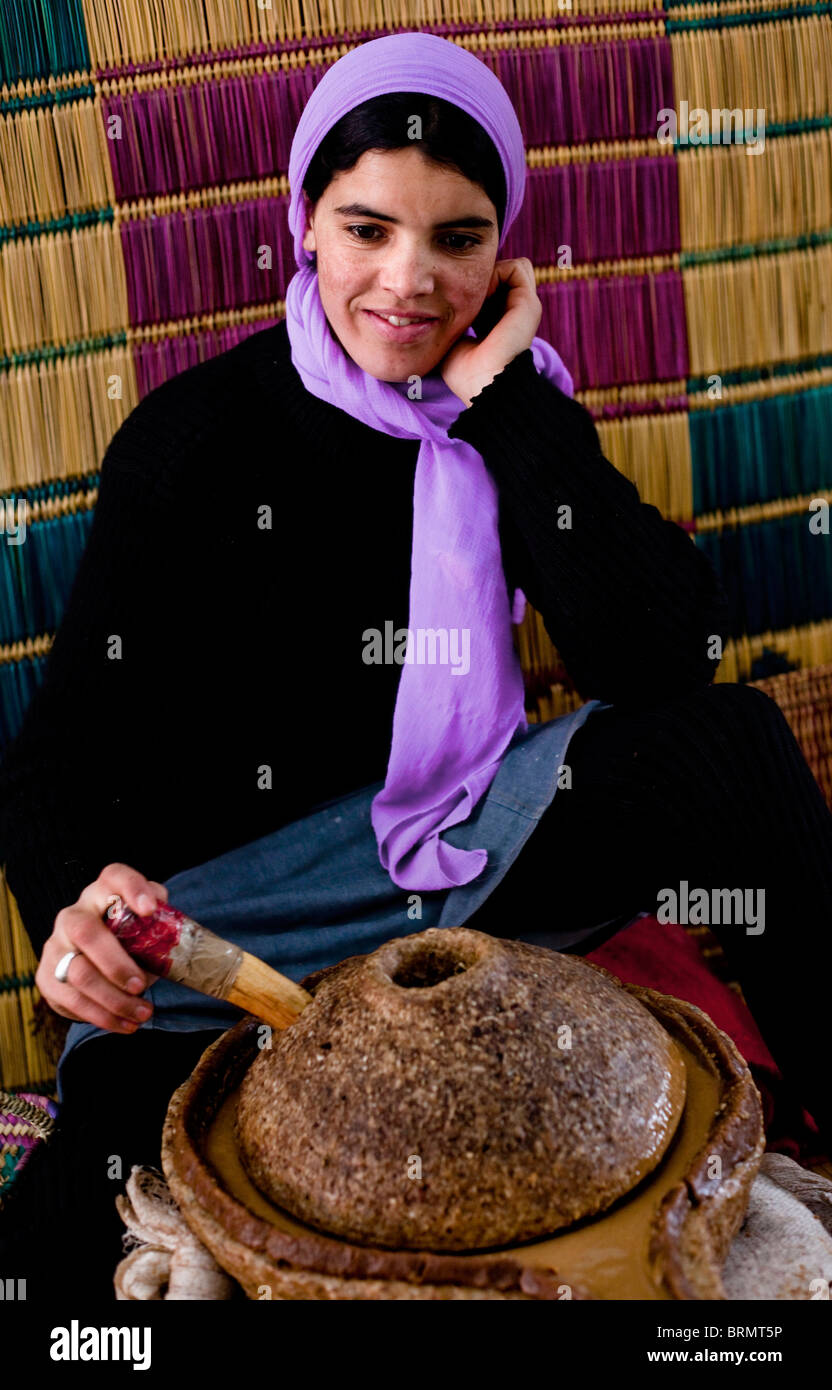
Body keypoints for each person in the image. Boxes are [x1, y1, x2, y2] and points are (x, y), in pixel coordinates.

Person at [0, 32, 829, 1300]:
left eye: (457, 237)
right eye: (366, 227)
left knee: (728, 747)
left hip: (461, 857)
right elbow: (56, 753)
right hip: (235, 922)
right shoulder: (196, 441)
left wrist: (508, 407)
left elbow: (666, 659)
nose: (408, 279)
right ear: (306, 225)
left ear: (504, 252)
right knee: (86, 1221)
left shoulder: (505, 410)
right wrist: (76, 908)